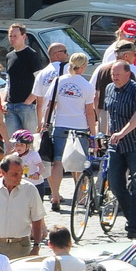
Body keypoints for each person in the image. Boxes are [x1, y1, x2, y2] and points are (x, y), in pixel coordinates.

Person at [99, 60, 136, 238]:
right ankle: (132, 216)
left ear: (128, 74)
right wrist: (105, 135)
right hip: (116, 145)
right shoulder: (109, 89)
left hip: (135, 143)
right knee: (116, 185)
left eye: (118, 75)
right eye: (113, 75)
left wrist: (122, 132)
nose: (115, 78)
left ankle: (133, 226)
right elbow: (107, 113)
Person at [41, 52, 96, 210]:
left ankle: (55, 195)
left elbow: (50, 104)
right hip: (80, 127)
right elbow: (89, 112)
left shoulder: (59, 81)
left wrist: (45, 124)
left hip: (61, 125)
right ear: (84, 66)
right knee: (79, 162)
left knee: (57, 161)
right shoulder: (87, 85)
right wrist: (92, 133)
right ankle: (80, 196)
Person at [0, 153, 46, 259]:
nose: (19, 177)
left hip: (21, 246)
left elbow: (37, 219)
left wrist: (36, 246)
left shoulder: (30, 189)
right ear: (3, 173)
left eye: (21, 173)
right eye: (14, 174)